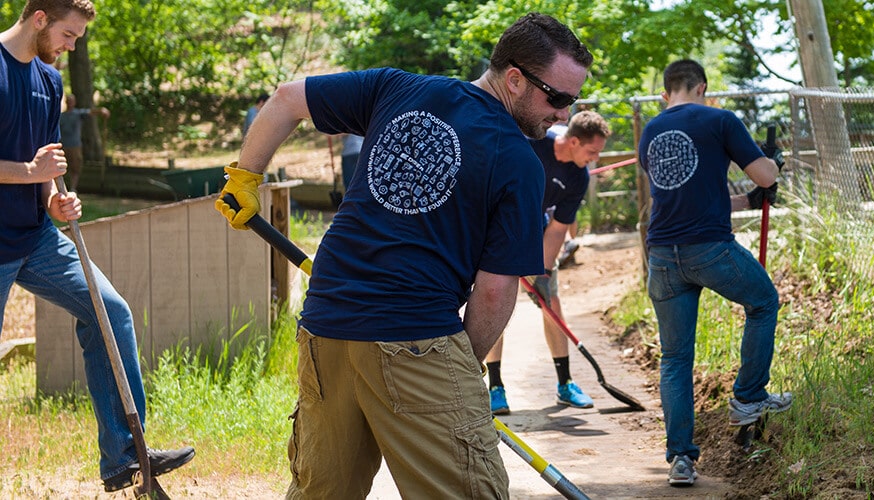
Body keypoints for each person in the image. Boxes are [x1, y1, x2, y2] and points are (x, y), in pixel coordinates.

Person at [214, 12, 592, 498]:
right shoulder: (517, 160)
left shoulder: (398, 88)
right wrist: (459, 371)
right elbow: (495, 293)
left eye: (572, 101)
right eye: (557, 98)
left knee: (322, 492)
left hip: (325, 325)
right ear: (515, 79)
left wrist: (245, 177)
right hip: (415, 335)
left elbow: (288, 99)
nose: (563, 114)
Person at [0, 0, 194, 493]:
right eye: (68, 34)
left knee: (109, 311)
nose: (72, 45)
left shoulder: (49, 81)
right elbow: (31, 167)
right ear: (39, 17)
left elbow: (47, 163)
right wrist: (30, 174)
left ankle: (124, 456)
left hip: (34, 237)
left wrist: (52, 201)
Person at [637, 59, 790, 487]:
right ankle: (749, 398)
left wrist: (748, 202)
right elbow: (764, 173)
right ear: (702, 86)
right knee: (763, 302)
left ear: (667, 93)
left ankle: (681, 460)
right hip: (709, 250)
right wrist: (770, 162)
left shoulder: (651, 130)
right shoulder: (720, 119)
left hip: (663, 257)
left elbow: (690, 192)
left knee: (675, 358)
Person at [484, 110, 611, 414]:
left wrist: (541, 267)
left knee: (551, 301)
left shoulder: (577, 176)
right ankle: (495, 387)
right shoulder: (531, 143)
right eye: (592, 151)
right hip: (498, 225)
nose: (595, 159)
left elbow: (557, 228)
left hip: (537, 229)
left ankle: (565, 384)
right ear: (574, 141)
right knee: (494, 301)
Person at [59, 93, 108, 191]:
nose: (70, 103)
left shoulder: (78, 113)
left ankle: (73, 188)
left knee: (76, 167)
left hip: (75, 146)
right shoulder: (61, 116)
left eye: (72, 101)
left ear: (74, 102)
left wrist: (101, 111)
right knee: (61, 168)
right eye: (68, 101)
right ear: (66, 102)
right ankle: (61, 189)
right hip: (63, 146)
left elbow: (90, 112)